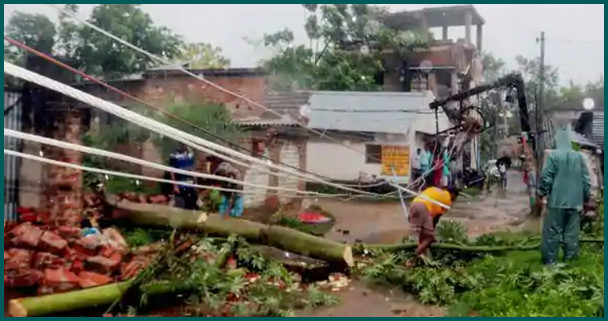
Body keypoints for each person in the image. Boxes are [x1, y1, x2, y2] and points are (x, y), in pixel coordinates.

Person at [538, 129, 591, 266]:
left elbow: (546, 177)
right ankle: (570, 262)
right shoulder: (579, 157)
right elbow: (586, 180)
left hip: (557, 201)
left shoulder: (553, 156)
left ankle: (550, 262)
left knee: (552, 232)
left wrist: (542, 192)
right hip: (575, 202)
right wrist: (586, 198)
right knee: (572, 233)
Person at [409, 186, 460, 256]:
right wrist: (432, 232)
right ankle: (414, 256)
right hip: (424, 207)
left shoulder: (433, 189)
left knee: (423, 233)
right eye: (455, 198)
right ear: (453, 194)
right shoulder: (448, 200)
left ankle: (423, 253)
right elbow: (436, 218)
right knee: (429, 237)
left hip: (414, 204)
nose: (453, 200)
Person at [169, 143, 199, 210]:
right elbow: (172, 171)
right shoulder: (174, 156)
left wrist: (196, 183)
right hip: (180, 183)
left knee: (192, 204)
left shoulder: (190, 155)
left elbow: (192, 169)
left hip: (190, 183)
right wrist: (175, 185)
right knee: (180, 205)